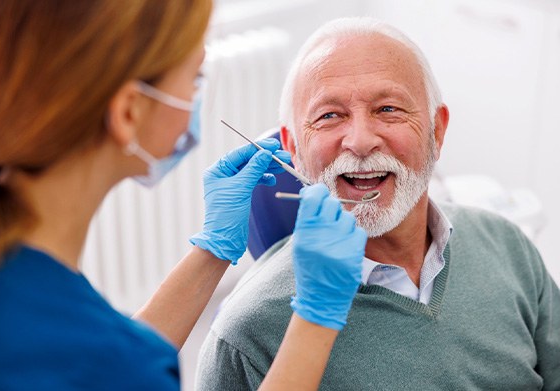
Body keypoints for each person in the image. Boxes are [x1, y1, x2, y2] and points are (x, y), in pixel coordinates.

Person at [0, 1, 369, 389]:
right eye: (195, 78)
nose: (360, 140)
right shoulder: (110, 359)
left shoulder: (23, 287)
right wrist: (317, 315)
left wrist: (212, 250)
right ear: (128, 113)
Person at [196, 16, 560, 390]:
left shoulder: (508, 246)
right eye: (330, 115)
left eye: (388, 109)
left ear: (437, 130)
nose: (360, 141)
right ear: (293, 148)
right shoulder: (247, 340)